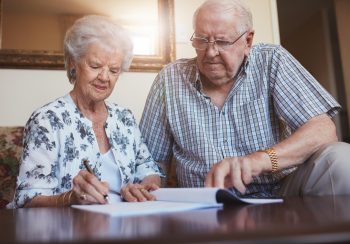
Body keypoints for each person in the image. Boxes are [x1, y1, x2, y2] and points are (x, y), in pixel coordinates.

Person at [140, 0, 350, 198]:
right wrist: (149, 186)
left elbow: (323, 130)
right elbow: (150, 159)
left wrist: (260, 160)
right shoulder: (169, 79)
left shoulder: (271, 60)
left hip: (281, 191)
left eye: (222, 41)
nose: (211, 52)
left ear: (247, 40)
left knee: (341, 158)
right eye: (202, 40)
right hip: (204, 201)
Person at [8, 15, 162, 208]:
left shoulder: (124, 118)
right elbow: (27, 199)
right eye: (95, 66)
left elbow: (149, 169)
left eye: (114, 70)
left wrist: (146, 187)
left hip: (124, 226)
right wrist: (71, 198)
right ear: (74, 62)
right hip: (68, 230)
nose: (105, 77)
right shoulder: (47, 120)